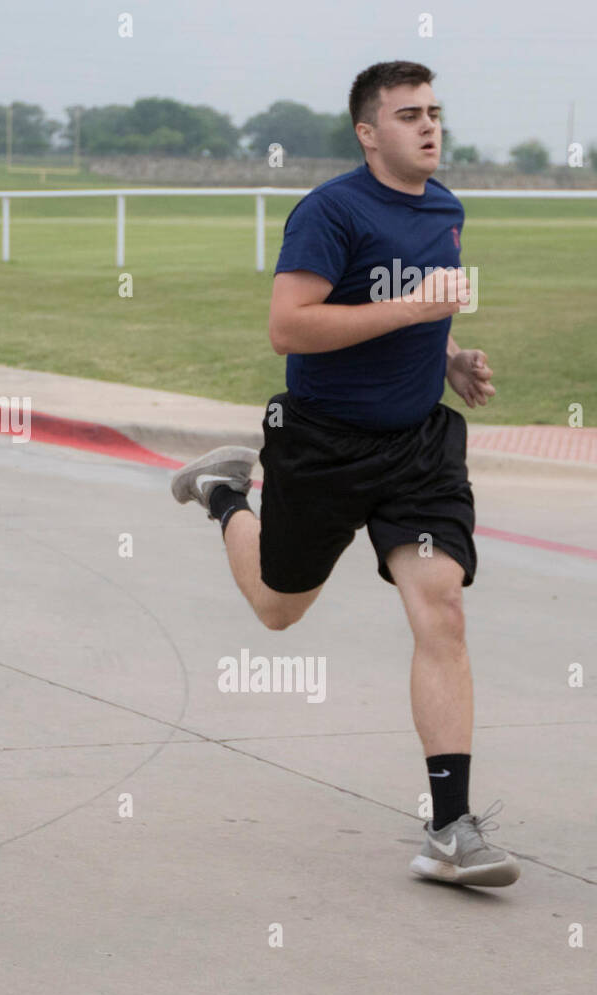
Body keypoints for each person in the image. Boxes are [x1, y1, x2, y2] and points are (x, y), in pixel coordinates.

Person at [171, 60, 518, 888]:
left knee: (442, 609)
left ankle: (450, 828)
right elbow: (289, 327)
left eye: (435, 111)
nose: (429, 127)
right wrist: (420, 311)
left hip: (416, 449)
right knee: (277, 611)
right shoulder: (330, 211)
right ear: (369, 133)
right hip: (323, 444)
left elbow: (418, 315)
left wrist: (450, 358)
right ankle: (226, 493)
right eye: (408, 115)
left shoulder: (446, 208)